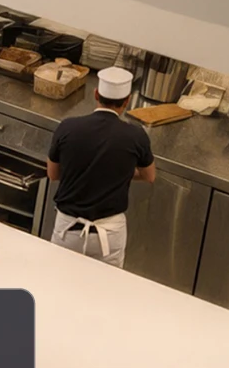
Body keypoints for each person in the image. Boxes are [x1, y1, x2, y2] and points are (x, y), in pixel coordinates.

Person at [46, 66, 154, 267]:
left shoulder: (67, 127)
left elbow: (53, 174)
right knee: (105, 293)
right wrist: (119, 174)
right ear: (127, 101)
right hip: (109, 234)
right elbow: (149, 176)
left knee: (57, 288)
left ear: (96, 94)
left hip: (68, 230)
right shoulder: (136, 136)